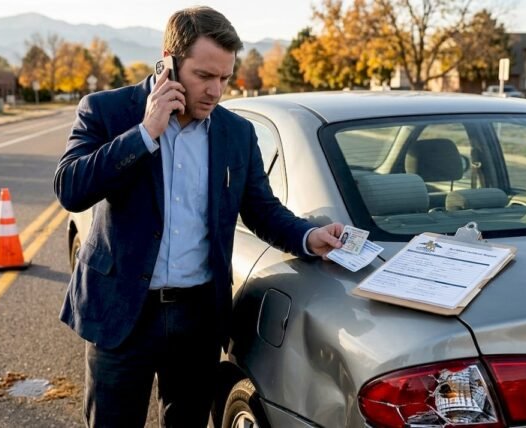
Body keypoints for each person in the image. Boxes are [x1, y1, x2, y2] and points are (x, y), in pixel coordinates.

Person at [53, 6, 343, 428]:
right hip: (122, 314)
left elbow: (262, 209)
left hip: (197, 316)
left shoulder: (236, 132)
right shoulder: (106, 111)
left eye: (224, 78)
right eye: (204, 76)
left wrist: (308, 236)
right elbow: (70, 189)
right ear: (168, 62)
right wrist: (144, 134)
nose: (215, 90)